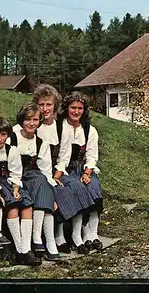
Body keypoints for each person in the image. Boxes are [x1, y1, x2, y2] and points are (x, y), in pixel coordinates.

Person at [27, 84, 95, 255]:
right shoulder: (32, 125)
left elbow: (63, 157)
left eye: (48, 105)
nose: (44, 109)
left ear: (55, 106)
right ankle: (58, 237)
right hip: (35, 172)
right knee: (59, 192)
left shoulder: (60, 127)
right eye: (41, 105)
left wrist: (57, 175)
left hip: (56, 171)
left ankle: (77, 236)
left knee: (77, 187)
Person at [0, 116, 41, 266]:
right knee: (13, 205)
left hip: (7, 182)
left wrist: (16, 187)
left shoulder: (11, 150)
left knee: (27, 205)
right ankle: (20, 250)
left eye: (3, 135)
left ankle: (26, 249)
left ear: (8, 135)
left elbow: (16, 172)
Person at [10, 102, 61, 261]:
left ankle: (43, 240)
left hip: (31, 176)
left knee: (43, 181)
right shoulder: (12, 135)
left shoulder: (41, 142)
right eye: (28, 119)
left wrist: (52, 193)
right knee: (41, 182)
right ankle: (43, 241)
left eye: (36, 120)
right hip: (13, 177)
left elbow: (46, 170)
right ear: (21, 120)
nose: (32, 123)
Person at [58, 91, 104, 252]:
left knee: (94, 187)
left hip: (81, 167)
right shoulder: (60, 126)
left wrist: (87, 172)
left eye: (80, 108)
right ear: (66, 108)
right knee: (76, 190)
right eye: (73, 107)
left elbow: (92, 156)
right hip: (63, 168)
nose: (76, 111)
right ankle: (76, 234)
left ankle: (92, 233)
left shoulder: (89, 130)